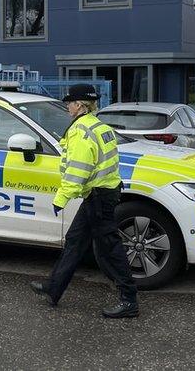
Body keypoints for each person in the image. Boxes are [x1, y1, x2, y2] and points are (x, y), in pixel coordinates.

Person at [30, 83, 139, 318]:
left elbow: (78, 171)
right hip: (100, 194)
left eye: (70, 102)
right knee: (75, 241)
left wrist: (61, 198)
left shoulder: (81, 131)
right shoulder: (99, 126)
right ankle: (54, 287)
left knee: (109, 249)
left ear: (79, 105)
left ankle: (129, 300)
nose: (67, 106)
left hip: (99, 197)